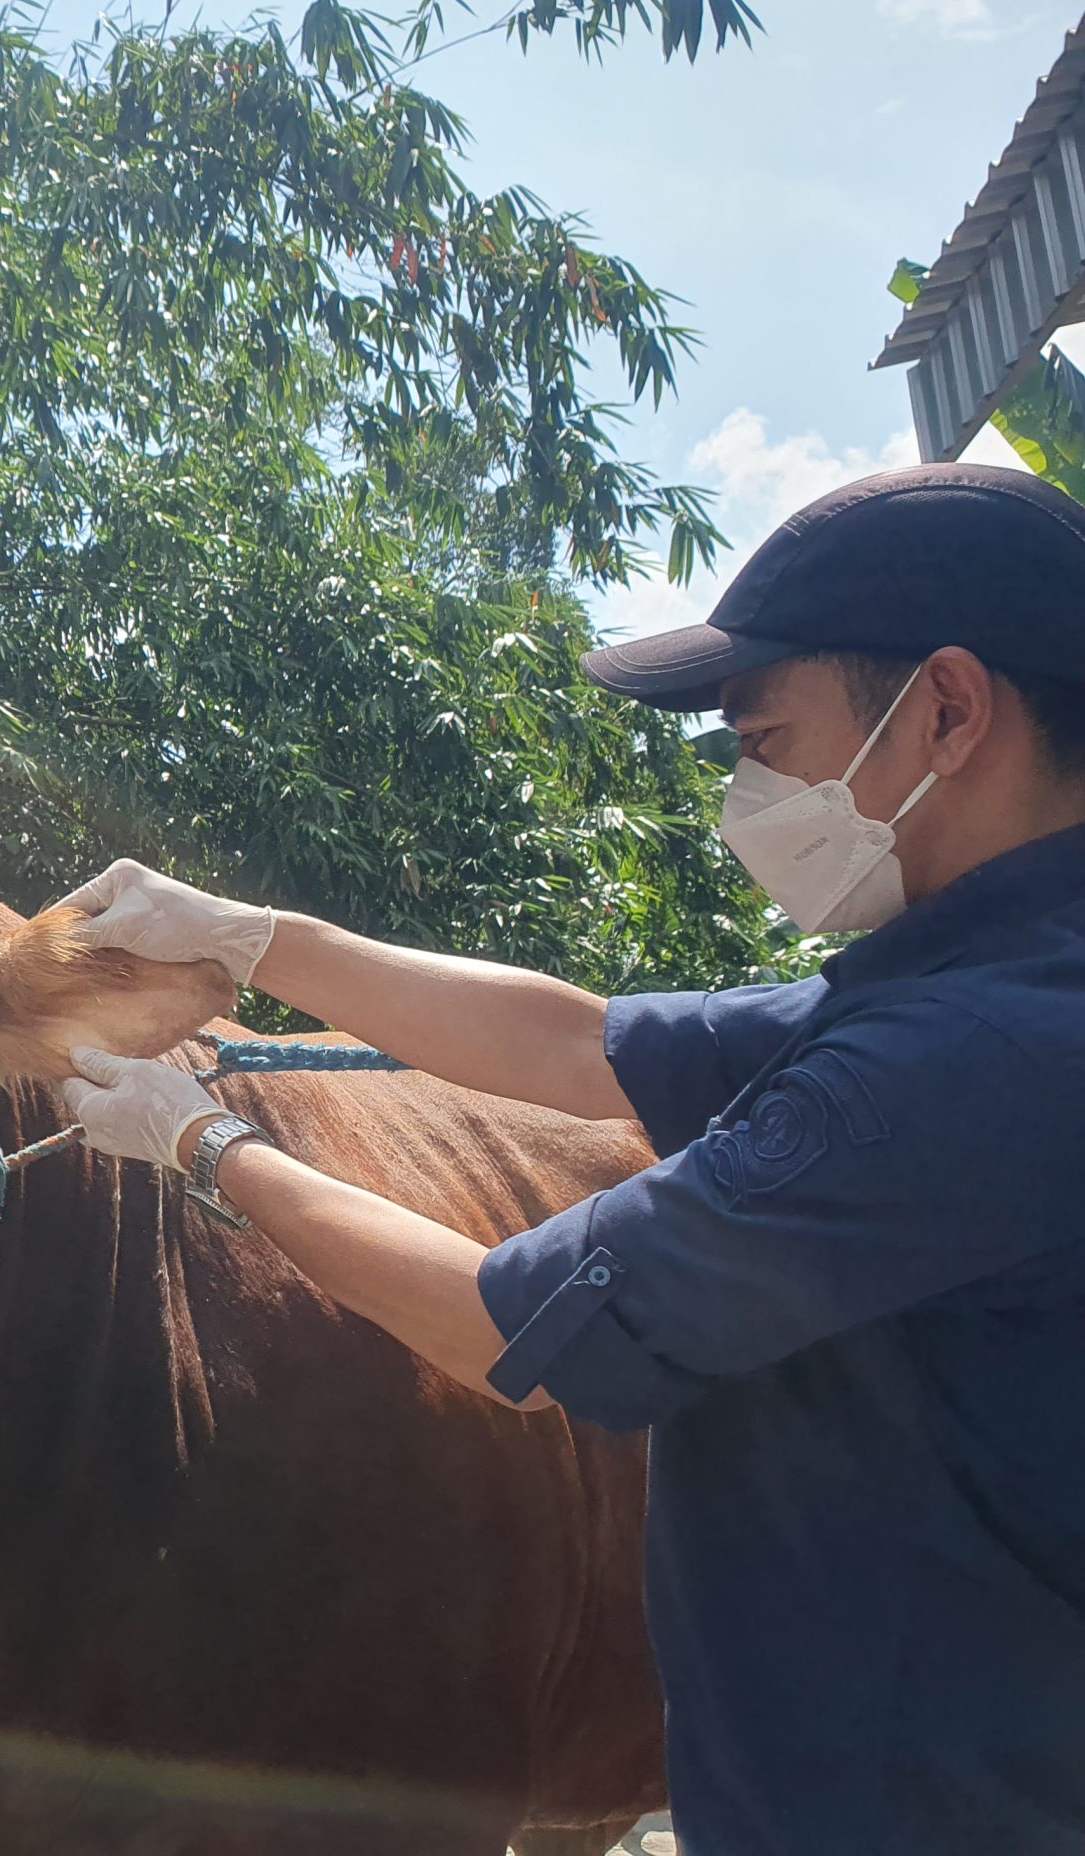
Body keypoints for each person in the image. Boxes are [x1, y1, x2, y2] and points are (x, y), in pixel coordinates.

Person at [54, 462, 1085, 1856]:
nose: (746, 790)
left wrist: (203, 1144)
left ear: (947, 713)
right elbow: (585, 1046)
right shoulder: (967, 995)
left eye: (766, 738)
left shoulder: (962, 1063)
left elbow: (506, 1329)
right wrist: (248, 935)